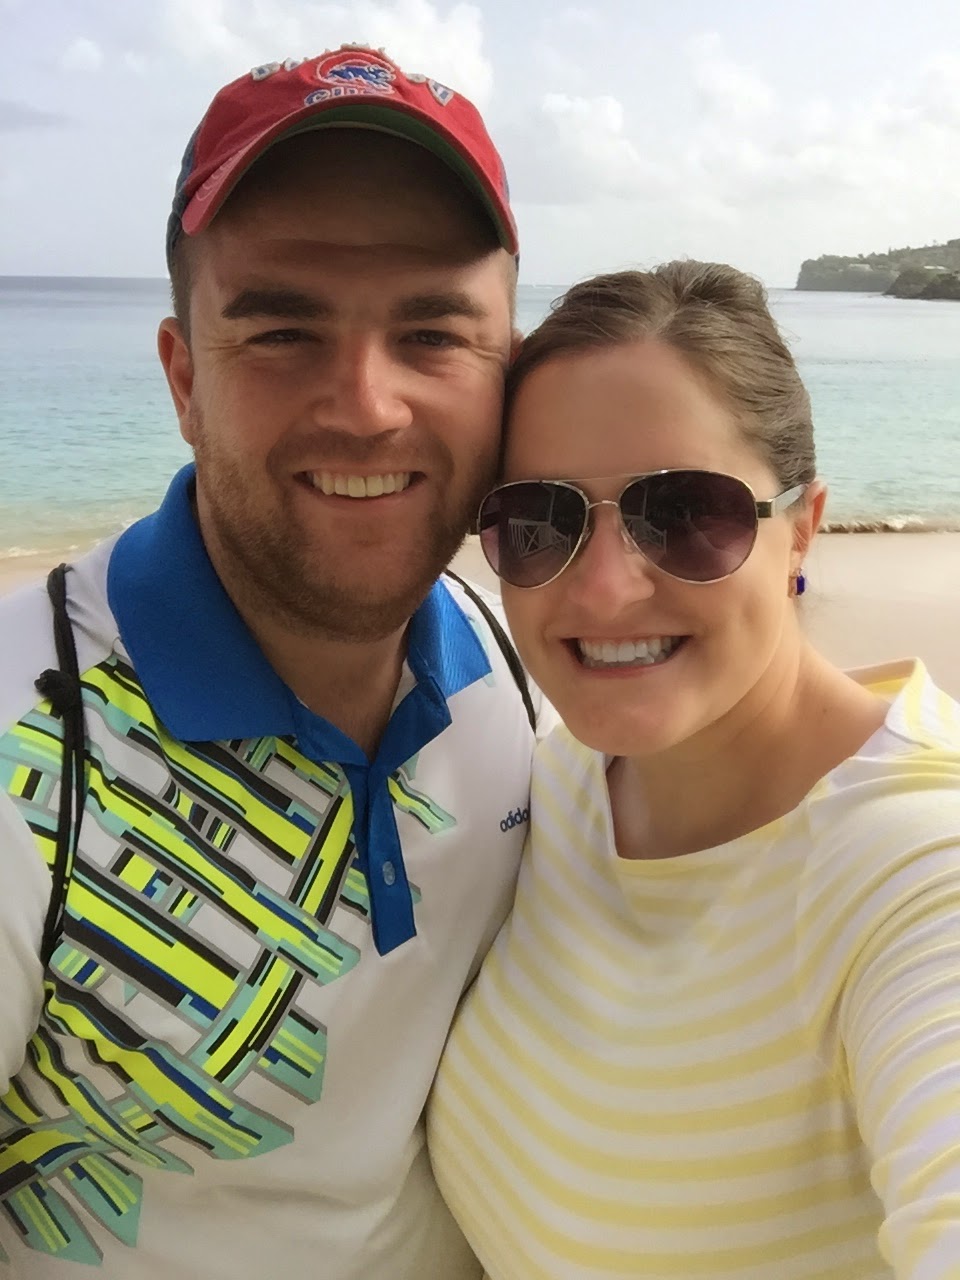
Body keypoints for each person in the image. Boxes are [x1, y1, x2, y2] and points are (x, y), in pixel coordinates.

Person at [0, 45, 552, 1279]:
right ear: (184, 377)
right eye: (284, 329)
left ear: (507, 371)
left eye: (433, 332)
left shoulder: (509, 661)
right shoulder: (33, 745)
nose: (366, 405)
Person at [428, 261, 960, 1279]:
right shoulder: (560, 783)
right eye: (540, 519)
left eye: (683, 513)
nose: (604, 588)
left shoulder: (917, 873)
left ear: (803, 528)